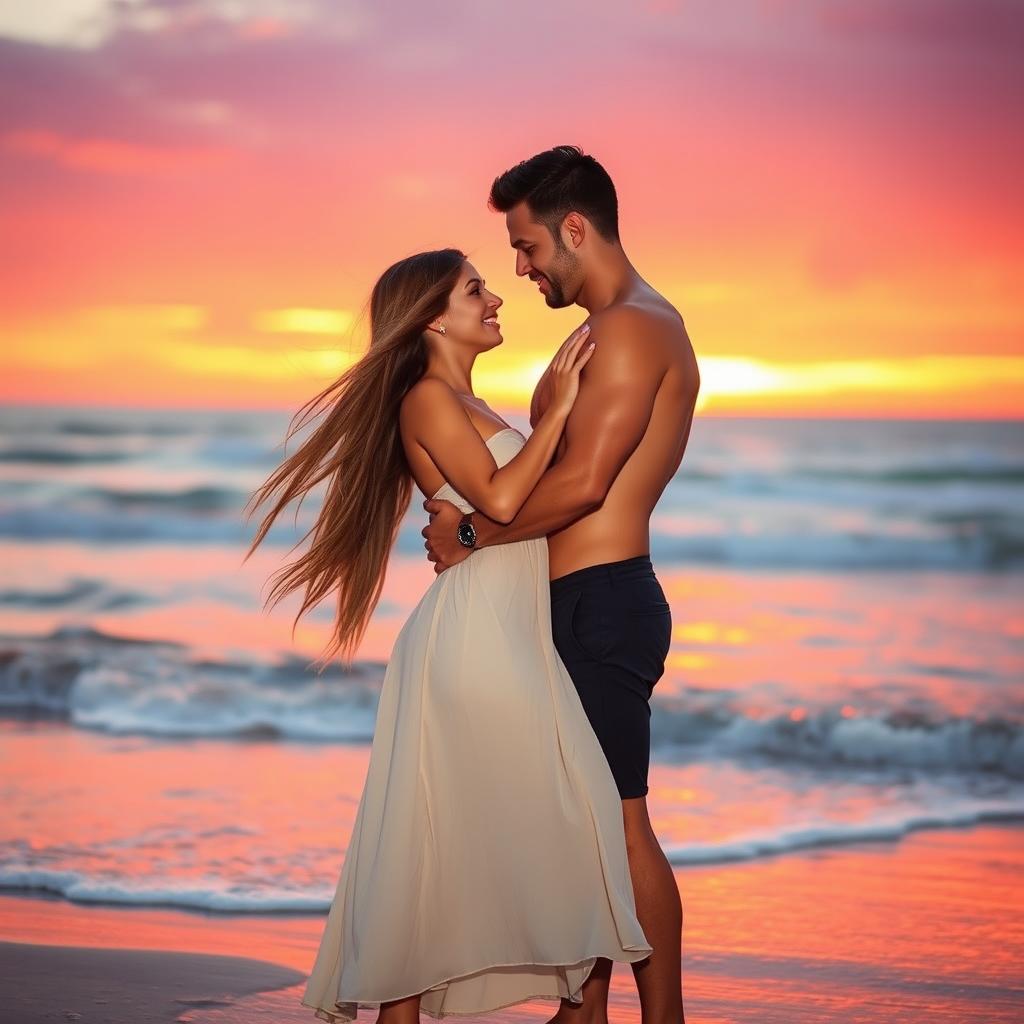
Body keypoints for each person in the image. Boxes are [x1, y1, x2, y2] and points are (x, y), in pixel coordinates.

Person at [243, 247, 652, 1024]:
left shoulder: (471, 404)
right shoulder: (428, 398)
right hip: (472, 642)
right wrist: (560, 409)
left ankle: (572, 1006)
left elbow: (497, 508)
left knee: (462, 842)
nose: (496, 296)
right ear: (433, 315)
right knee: (558, 815)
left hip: (505, 633)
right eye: (475, 289)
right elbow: (499, 499)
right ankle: (580, 1006)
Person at [423, 146, 700, 1024]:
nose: (520, 267)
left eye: (528, 245)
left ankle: (662, 1017)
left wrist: (472, 532)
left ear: (574, 228)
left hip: (601, 603)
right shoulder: (608, 329)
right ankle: (584, 1011)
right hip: (577, 604)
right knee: (584, 826)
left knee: (620, 823)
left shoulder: (635, 327)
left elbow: (585, 483)